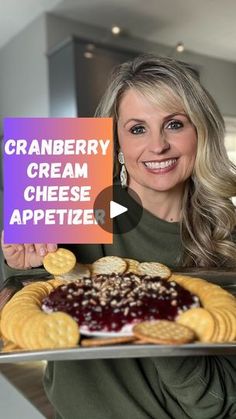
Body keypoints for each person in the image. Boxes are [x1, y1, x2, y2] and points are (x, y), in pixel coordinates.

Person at [2, 55, 236, 419]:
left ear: (201, 131)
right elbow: (20, 325)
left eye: (174, 124)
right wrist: (18, 268)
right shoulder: (73, 207)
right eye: (137, 128)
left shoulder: (228, 238)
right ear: (117, 139)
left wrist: (168, 336)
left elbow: (223, 402)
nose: (157, 146)